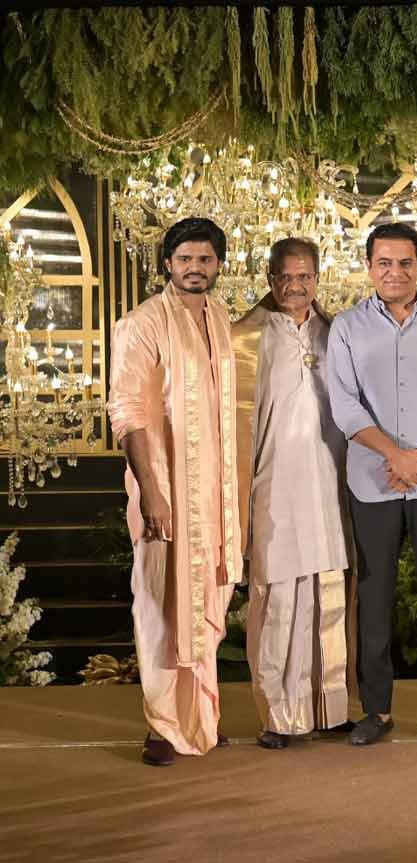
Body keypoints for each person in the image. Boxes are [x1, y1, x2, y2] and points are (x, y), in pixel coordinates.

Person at [327, 222, 417, 746]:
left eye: (405, 263)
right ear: (369, 267)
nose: (395, 272)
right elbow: (345, 405)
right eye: (385, 263)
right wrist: (395, 456)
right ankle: (377, 711)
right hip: (373, 479)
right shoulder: (346, 328)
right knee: (374, 595)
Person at [107, 217, 242, 766]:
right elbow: (127, 412)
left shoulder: (220, 318)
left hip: (216, 494)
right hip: (167, 491)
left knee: (208, 599)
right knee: (162, 604)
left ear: (218, 265)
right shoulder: (141, 324)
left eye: (205, 259)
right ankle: (163, 725)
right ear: (167, 263)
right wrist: (152, 493)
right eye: (185, 259)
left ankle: (199, 718)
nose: (195, 268)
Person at [233, 237, 355, 750]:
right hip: (273, 482)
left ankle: (329, 708)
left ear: (317, 279)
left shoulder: (337, 333)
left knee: (328, 593)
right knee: (279, 597)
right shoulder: (247, 338)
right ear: (269, 279)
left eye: (304, 276)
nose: (295, 286)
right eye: (285, 276)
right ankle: (279, 715)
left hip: (329, 482)